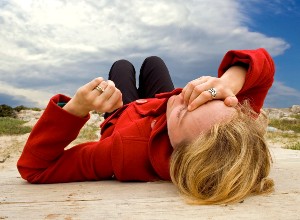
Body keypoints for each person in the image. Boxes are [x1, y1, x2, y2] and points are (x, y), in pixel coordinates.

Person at [17, 48, 275, 204]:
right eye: (205, 98)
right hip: (157, 103)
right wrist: (230, 81)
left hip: (123, 113)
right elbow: (265, 63)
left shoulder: (123, 151)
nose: (185, 96)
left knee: (122, 66)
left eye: (184, 111)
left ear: (175, 153)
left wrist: (76, 108)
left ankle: (125, 82)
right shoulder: (229, 126)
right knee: (154, 61)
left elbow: (35, 168)